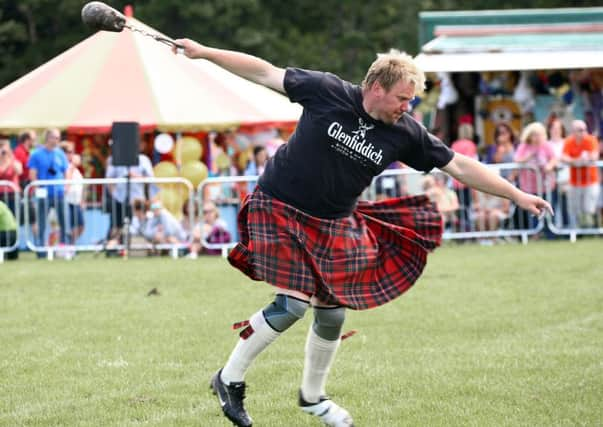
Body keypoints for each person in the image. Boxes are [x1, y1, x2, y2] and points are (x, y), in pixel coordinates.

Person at [174, 39, 552, 427]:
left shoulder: (405, 132)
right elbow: (263, 71)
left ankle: (313, 397)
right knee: (292, 305)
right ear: (376, 88)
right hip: (279, 206)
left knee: (333, 313)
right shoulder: (326, 90)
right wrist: (205, 52)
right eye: (402, 98)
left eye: (412, 100)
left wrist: (517, 194)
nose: (408, 107)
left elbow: (458, 166)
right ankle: (228, 379)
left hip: (333, 223)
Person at [104, 140, 154, 247]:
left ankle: (137, 246)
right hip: (120, 198)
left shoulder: (143, 160)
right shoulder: (114, 159)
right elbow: (109, 179)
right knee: (116, 226)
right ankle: (113, 247)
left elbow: (150, 179)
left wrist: (136, 177)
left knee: (138, 224)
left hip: (138, 199)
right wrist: (114, 194)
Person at [27, 128, 69, 253]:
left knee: (64, 221)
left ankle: (65, 248)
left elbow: (66, 171)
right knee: (42, 223)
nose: (57, 140)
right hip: (44, 194)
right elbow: (32, 173)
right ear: (48, 138)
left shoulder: (60, 153)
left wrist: (66, 186)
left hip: (59, 193)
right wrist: (37, 188)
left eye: (58, 138)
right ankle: (40, 249)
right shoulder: (36, 154)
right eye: (55, 137)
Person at [514, 122, 557, 231]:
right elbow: (517, 159)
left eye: (539, 134)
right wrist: (529, 156)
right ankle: (534, 232)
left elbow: (554, 158)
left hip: (545, 186)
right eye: (534, 134)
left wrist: (549, 166)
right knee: (533, 210)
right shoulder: (524, 146)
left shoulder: (546, 145)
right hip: (529, 187)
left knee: (548, 209)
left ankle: (549, 232)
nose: (537, 137)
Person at [562, 120, 600, 228]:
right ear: (573, 131)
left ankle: (593, 230)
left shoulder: (591, 139)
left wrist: (581, 160)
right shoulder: (569, 141)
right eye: (580, 130)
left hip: (590, 181)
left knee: (590, 208)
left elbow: (594, 156)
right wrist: (576, 161)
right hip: (575, 182)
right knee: (575, 208)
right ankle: (579, 231)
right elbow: (564, 157)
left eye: (585, 129)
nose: (584, 132)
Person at [61, 141, 85, 245]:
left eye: (72, 152)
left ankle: (71, 245)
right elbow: (67, 181)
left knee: (80, 226)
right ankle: (69, 247)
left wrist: (82, 200)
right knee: (69, 227)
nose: (72, 154)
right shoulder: (64, 166)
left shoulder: (73, 168)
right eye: (69, 152)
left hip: (76, 201)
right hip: (67, 200)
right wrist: (73, 165)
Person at [0, 139, 22, 216]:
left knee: (14, 216)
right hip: (1, 195)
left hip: (13, 194)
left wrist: (11, 158)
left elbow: (19, 171)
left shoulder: (14, 160)